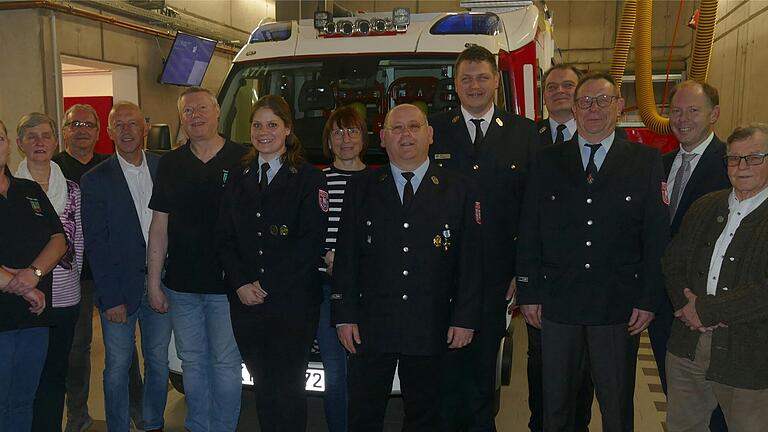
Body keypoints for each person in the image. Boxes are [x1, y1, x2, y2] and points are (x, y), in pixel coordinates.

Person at [516, 72, 669, 431]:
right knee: (555, 407)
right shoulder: (547, 161)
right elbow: (529, 231)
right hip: (558, 305)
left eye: (602, 100)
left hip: (616, 306)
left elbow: (655, 237)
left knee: (616, 408)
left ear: (618, 106)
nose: (593, 109)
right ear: (574, 108)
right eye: (585, 102)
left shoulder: (645, 161)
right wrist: (529, 292)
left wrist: (648, 299)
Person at [332, 103, 482, 431]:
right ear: (383, 138)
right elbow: (346, 257)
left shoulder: (459, 188)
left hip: (433, 324)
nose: (406, 135)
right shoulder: (361, 188)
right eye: (396, 129)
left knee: (427, 417)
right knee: (363, 413)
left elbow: (471, 261)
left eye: (414, 127)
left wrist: (465, 318)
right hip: (371, 327)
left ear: (430, 135)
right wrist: (344, 315)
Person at [428, 44, 538, 431]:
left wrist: (521, 275)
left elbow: (533, 213)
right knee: (443, 376)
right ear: (455, 85)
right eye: (466, 79)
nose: (474, 86)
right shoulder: (433, 130)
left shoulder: (524, 133)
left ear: (495, 82)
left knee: (481, 375)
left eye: (482, 77)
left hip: (496, 277)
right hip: (440, 276)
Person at [216, 95, 327, 432]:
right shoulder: (239, 175)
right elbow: (224, 236)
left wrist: (267, 285)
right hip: (246, 302)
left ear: (288, 129)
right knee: (263, 385)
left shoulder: (309, 178)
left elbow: (311, 242)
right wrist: (240, 284)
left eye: (272, 125)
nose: (264, 132)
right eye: (257, 125)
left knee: (289, 386)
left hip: (292, 302)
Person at [147, 87, 246, 432]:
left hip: (227, 287)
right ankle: (197, 426)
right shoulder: (171, 164)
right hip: (181, 287)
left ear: (218, 113)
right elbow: (159, 226)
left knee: (225, 363)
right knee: (192, 362)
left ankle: (223, 427)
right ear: (181, 119)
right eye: (187, 112)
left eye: (202, 108)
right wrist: (154, 283)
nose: (195, 116)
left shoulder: (243, 159)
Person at [662, 123, 768, 432]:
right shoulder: (704, 206)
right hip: (688, 344)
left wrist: (708, 310)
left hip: (749, 355)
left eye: (754, 157)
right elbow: (672, 260)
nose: (742, 166)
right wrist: (686, 305)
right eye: (734, 159)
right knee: (682, 426)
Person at [54, 104, 146, 432]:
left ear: (98, 132)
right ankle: (77, 414)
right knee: (77, 350)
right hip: (69, 277)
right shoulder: (53, 168)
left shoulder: (110, 167)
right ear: (64, 131)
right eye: (73, 123)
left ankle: (137, 408)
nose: (81, 130)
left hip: (110, 274)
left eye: (88, 124)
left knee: (124, 351)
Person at [80, 101, 171, 432]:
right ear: (109, 132)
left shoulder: (165, 168)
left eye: (133, 124)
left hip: (161, 284)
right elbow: (97, 244)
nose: (127, 131)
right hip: (119, 289)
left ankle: (153, 422)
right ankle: (118, 426)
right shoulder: (96, 180)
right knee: (117, 366)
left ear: (145, 128)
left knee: (158, 362)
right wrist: (110, 296)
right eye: (119, 125)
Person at [650, 80, 732, 431]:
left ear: (714, 114)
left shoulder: (732, 164)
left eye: (693, 110)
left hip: (708, 309)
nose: (682, 119)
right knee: (680, 398)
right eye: (676, 111)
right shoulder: (659, 165)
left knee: (718, 406)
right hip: (663, 305)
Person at [525, 63, 595, 432]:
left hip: (588, 283)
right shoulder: (526, 139)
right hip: (544, 280)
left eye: (568, 86)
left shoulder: (600, 142)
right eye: (551, 87)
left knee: (583, 372)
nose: (559, 92)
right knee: (540, 367)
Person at [13, 112, 85, 432]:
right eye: (31, 136)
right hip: (19, 293)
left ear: (57, 142)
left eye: (45, 135)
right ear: (19, 144)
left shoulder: (71, 190)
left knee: (56, 372)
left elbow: (78, 241)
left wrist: (71, 279)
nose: (39, 142)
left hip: (65, 295)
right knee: (25, 373)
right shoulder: (8, 190)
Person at [1, 118, 67, 432]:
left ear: (7, 145)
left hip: (33, 315)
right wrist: (26, 286)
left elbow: (58, 238)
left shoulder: (27, 189)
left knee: (23, 399)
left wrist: (34, 273)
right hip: (14, 308)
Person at [317, 105, 369, 432]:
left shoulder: (380, 180)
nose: (345, 139)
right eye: (337, 132)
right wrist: (324, 253)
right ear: (329, 140)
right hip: (325, 291)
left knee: (363, 371)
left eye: (352, 131)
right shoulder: (316, 181)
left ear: (364, 137)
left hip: (368, 292)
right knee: (334, 372)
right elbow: (305, 231)